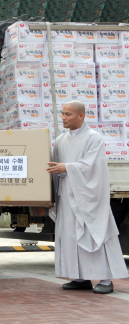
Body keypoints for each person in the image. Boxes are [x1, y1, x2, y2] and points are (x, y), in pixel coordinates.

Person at [47, 101, 128, 294]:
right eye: (63, 114)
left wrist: (67, 167)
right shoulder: (60, 140)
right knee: (71, 236)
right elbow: (54, 168)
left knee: (94, 234)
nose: (64, 118)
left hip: (89, 197)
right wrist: (50, 194)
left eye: (68, 114)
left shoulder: (94, 138)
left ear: (81, 116)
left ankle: (106, 279)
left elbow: (93, 166)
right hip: (67, 195)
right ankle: (80, 276)